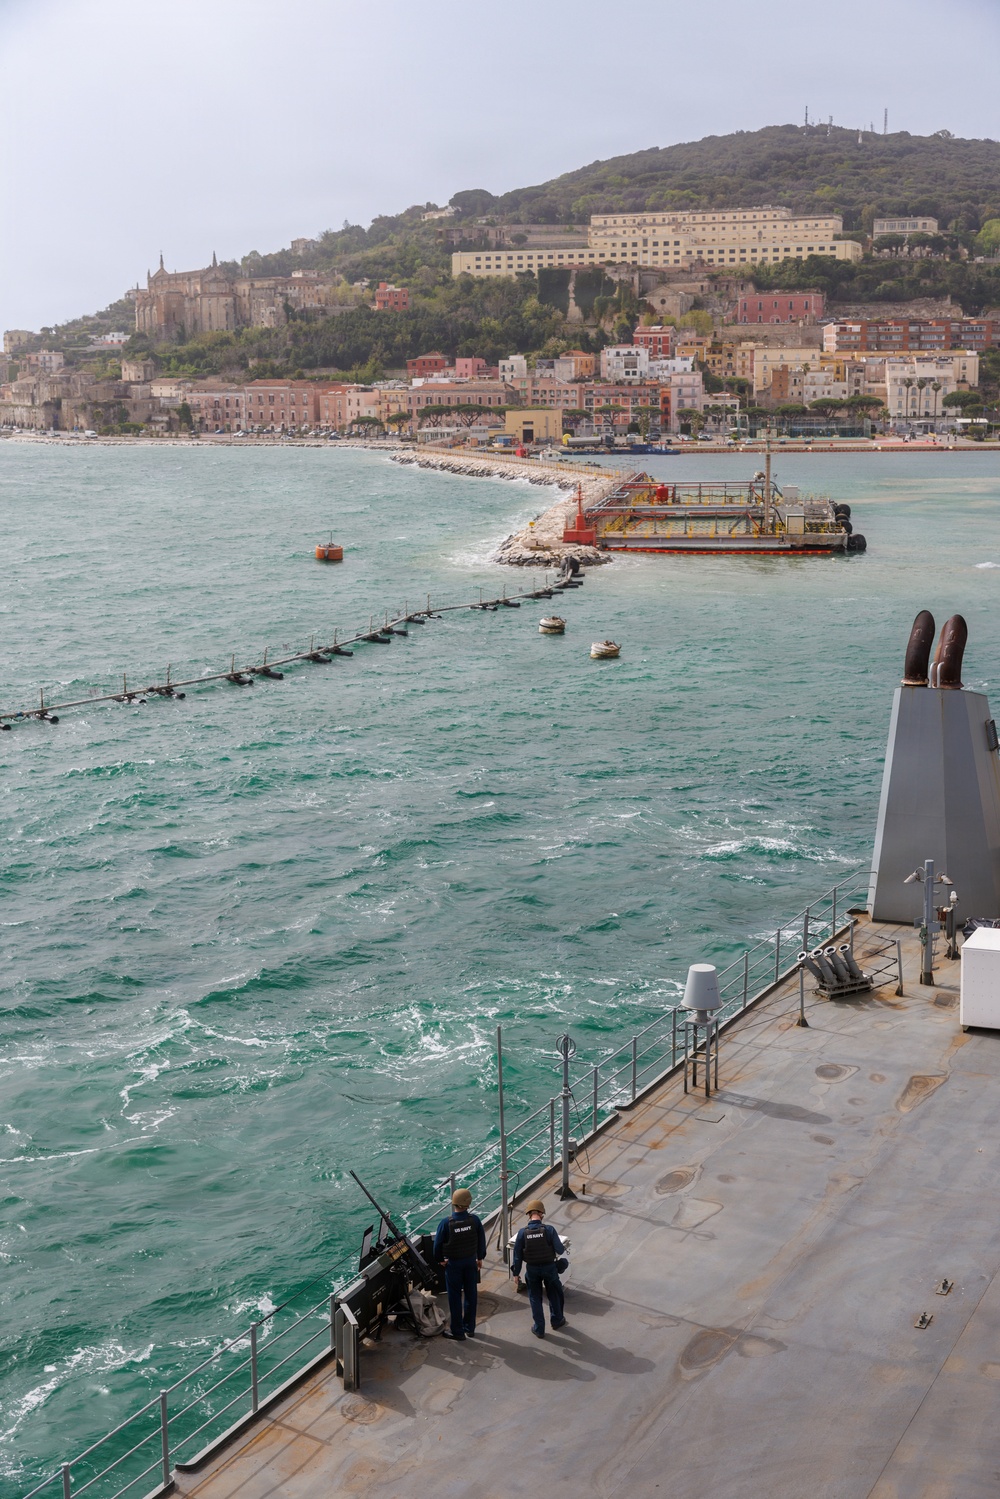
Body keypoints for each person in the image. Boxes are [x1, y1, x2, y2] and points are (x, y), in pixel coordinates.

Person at [433, 1187, 486, 1340]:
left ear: (454, 1203)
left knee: (454, 1297)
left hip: (454, 1264)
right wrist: (480, 1258)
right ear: (468, 1203)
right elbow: (481, 1241)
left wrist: (440, 1260)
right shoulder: (475, 1220)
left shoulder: (446, 1223)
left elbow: (437, 1246)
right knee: (471, 1295)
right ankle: (470, 1328)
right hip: (470, 1262)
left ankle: (457, 1331)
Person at [510, 1200, 566, 1338]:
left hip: (532, 1270)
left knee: (535, 1298)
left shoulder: (522, 1233)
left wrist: (516, 1273)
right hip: (549, 1268)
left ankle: (539, 1329)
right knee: (554, 1294)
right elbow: (560, 1249)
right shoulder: (549, 1230)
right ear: (541, 1214)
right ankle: (557, 1321)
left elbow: (517, 1256)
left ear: (529, 1214)